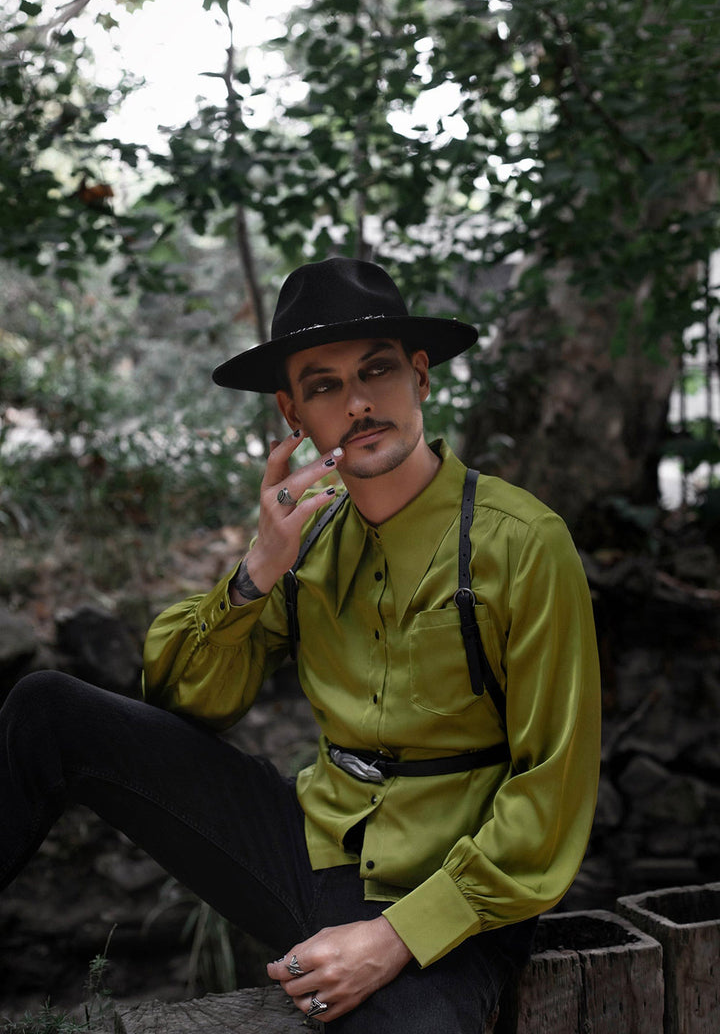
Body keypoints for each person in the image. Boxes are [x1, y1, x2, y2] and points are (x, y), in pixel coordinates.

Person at [0, 257, 601, 1033]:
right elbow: (187, 705)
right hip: (310, 843)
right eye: (323, 386)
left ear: (420, 376)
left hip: (447, 892)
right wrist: (257, 570)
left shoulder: (524, 543)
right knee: (48, 710)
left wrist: (392, 938)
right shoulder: (306, 536)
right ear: (293, 412)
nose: (358, 402)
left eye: (377, 370)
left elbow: (553, 787)